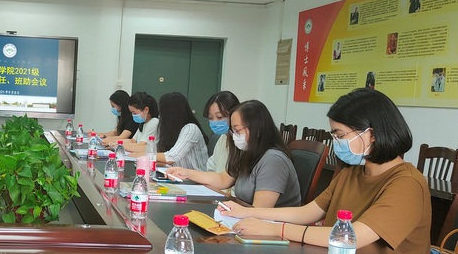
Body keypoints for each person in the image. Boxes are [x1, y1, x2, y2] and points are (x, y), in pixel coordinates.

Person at [219, 88, 430, 253]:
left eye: (341, 135)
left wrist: (276, 229)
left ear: (372, 134)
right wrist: (248, 211)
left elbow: (353, 237)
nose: (336, 142)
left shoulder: (407, 184)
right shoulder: (353, 172)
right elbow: (308, 212)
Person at [167, 100, 300, 208]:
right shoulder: (247, 152)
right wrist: (187, 173)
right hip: (246, 215)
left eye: (237, 130)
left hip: (271, 225)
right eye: (232, 131)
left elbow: (260, 211)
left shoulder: (273, 160)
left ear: (257, 129)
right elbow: (223, 179)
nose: (234, 136)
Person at [129, 92, 208, 170]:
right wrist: (141, 156)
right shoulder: (170, 129)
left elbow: (172, 156)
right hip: (176, 173)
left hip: (194, 176)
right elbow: (158, 148)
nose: (160, 116)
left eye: (162, 112)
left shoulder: (190, 129)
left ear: (171, 113)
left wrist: (145, 155)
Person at [204, 91, 240, 173]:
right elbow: (212, 166)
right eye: (210, 117)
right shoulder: (223, 138)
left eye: (219, 117)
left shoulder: (241, 142)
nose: (214, 121)